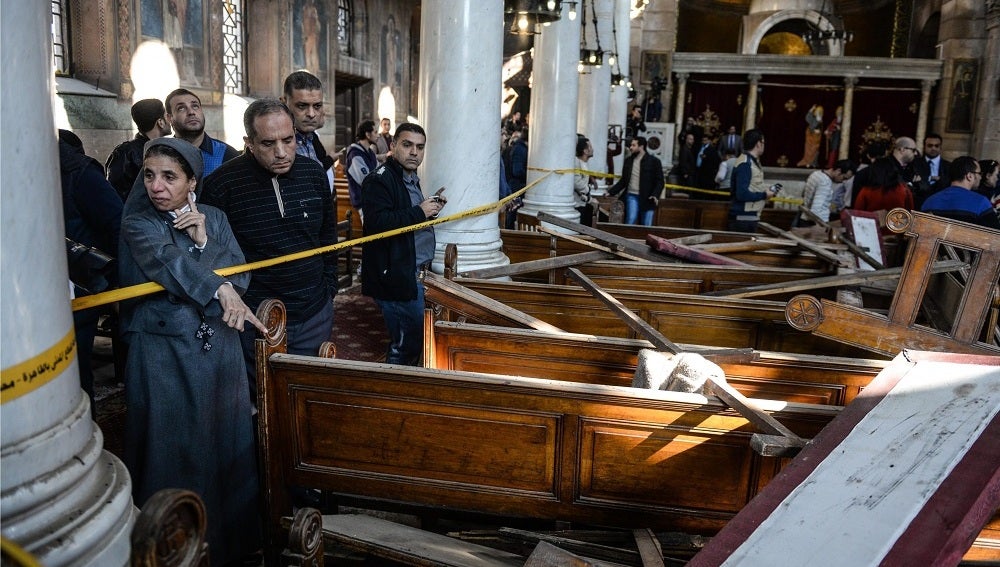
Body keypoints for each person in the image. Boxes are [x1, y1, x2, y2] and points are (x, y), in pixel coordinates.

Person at [118, 137, 265, 565]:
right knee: (173, 446)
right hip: (164, 349)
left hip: (217, 346)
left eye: (169, 177)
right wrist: (218, 284)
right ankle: (169, 543)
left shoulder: (214, 217)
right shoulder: (139, 222)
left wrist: (203, 240)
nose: (156, 186)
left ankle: (227, 541)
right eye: (149, 175)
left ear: (192, 182)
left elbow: (241, 271)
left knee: (224, 441)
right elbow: (168, 263)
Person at [201, 99, 338, 394]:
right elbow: (210, 254)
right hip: (255, 316)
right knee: (263, 397)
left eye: (288, 140)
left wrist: (329, 289)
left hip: (314, 309)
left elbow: (327, 238)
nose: (281, 152)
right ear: (248, 142)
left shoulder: (313, 174)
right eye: (268, 143)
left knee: (309, 393)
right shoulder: (222, 185)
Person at [361, 122, 445, 366]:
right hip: (397, 275)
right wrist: (420, 212)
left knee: (413, 340)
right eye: (407, 145)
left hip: (414, 272)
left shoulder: (410, 178)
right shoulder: (379, 180)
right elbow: (377, 224)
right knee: (404, 345)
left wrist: (430, 210)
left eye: (420, 147)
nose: (414, 152)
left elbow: (407, 217)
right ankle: (393, 394)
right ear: (393, 145)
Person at [59, 129, 123, 406]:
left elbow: (117, 225)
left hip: (79, 290)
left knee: (72, 379)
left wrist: (118, 284)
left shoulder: (78, 172)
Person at [105, 98, 172, 200]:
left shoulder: (163, 149)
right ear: (160, 122)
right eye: (166, 115)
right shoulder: (126, 153)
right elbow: (115, 195)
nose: (170, 119)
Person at [165, 88, 240, 176]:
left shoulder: (227, 154)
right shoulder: (160, 154)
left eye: (195, 106)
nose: (191, 112)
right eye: (181, 108)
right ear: (169, 118)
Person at [280, 70, 335, 181]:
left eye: (317, 106)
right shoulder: (273, 144)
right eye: (302, 106)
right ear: (283, 103)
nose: (311, 114)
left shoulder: (310, 137)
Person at [921, 156, 1000, 229]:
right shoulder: (981, 202)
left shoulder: (929, 201)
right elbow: (994, 236)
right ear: (969, 176)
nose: (980, 177)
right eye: (979, 173)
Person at [728, 128, 778, 233]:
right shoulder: (745, 164)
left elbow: (753, 186)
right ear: (758, 144)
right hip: (743, 219)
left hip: (750, 217)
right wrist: (764, 195)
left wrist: (767, 191)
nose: (764, 145)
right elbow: (741, 194)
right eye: (763, 142)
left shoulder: (752, 162)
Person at [609, 136, 664, 226]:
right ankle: (625, 240)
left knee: (646, 225)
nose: (631, 147)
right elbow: (623, 180)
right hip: (631, 195)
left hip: (648, 198)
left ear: (641, 147)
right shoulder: (628, 161)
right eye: (631, 145)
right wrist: (611, 192)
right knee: (630, 220)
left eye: (634, 145)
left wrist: (655, 195)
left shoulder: (654, 161)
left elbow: (660, 181)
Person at [798, 159, 855, 226]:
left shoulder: (816, 174)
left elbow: (803, 194)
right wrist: (821, 227)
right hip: (814, 224)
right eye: (844, 178)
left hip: (804, 219)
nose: (842, 181)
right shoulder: (825, 183)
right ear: (838, 171)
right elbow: (816, 209)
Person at [344, 119, 379, 221]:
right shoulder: (355, 154)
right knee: (371, 234)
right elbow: (366, 180)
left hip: (374, 200)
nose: (378, 135)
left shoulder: (370, 153)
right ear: (368, 134)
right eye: (375, 132)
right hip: (364, 202)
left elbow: (381, 171)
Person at [911, 133, 951, 209]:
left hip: (941, 206)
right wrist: (931, 178)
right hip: (918, 205)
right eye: (930, 145)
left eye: (936, 146)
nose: (933, 148)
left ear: (940, 147)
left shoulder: (949, 166)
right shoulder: (914, 163)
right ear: (924, 147)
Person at [502, 125, 528, 229]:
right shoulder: (520, 149)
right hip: (516, 187)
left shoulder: (520, 148)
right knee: (510, 218)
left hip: (514, 187)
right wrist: (529, 174)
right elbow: (516, 171)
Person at [574, 135, 598, 226]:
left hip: (582, 203)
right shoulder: (577, 163)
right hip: (577, 205)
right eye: (590, 147)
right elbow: (577, 183)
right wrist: (589, 195)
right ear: (585, 151)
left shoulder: (583, 164)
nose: (592, 149)